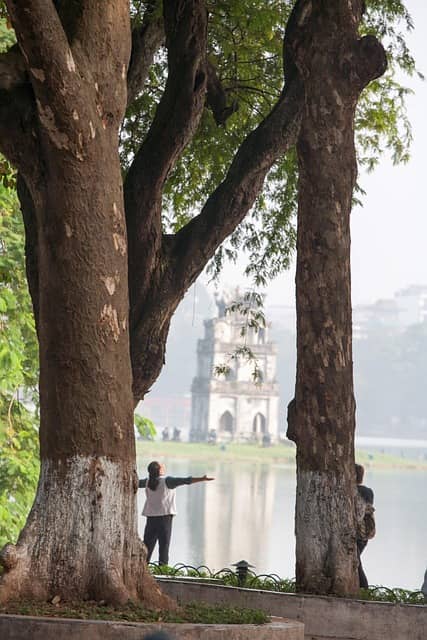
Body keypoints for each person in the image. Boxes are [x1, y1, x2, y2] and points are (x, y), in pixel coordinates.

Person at [139, 460, 214, 565]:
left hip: (151, 518)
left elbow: (135, 482)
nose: (164, 467)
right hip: (164, 518)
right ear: (159, 470)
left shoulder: (147, 482)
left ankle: (142, 566)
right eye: (162, 466)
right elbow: (185, 480)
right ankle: (162, 570)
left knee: (147, 546)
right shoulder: (167, 481)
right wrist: (202, 479)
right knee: (164, 547)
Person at [355, 463, 374, 588]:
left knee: (355, 563)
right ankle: (361, 589)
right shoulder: (368, 491)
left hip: (355, 533)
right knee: (355, 562)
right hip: (365, 534)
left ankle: (364, 588)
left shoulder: (353, 491)